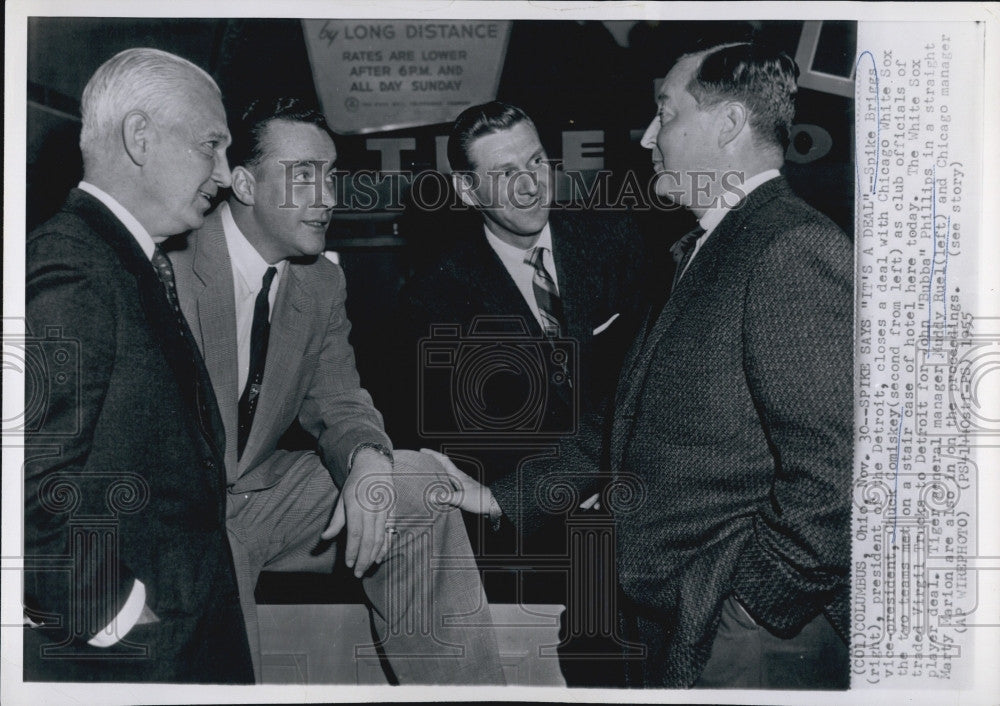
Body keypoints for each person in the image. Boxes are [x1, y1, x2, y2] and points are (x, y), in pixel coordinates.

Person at [432, 43, 853, 688]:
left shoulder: (790, 249)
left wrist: (748, 612)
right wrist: (498, 498)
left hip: (732, 641)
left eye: (666, 113)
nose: (650, 136)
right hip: (665, 626)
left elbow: (837, 480)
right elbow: (623, 421)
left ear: (728, 126)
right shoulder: (705, 247)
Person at [166, 97, 504, 685]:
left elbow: (340, 399)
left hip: (260, 495)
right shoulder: (168, 263)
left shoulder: (319, 279)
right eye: (304, 175)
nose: (328, 196)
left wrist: (369, 461)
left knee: (420, 485)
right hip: (179, 508)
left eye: (330, 174)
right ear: (242, 183)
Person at [389, 101, 649, 686]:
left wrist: (601, 481)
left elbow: (650, 384)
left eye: (537, 161)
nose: (531, 185)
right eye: (506, 173)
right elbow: (473, 443)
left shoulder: (616, 241)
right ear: (466, 189)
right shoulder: (434, 299)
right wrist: (568, 491)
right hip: (532, 523)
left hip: (632, 492)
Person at [24, 48, 253, 682]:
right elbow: (25, 478)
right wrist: (114, 614)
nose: (228, 175)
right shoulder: (71, 267)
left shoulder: (121, 259)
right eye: (212, 145)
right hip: (139, 653)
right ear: (140, 138)